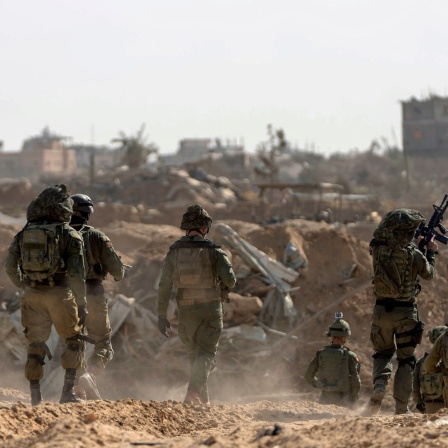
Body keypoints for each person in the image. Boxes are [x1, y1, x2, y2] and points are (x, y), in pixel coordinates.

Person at [4, 185, 87, 405]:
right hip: (60, 294)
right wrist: (82, 303)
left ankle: (35, 396)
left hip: (32, 295)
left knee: (35, 345)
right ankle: (67, 394)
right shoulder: (69, 234)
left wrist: (24, 285)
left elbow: (10, 267)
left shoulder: (24, 233)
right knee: (74, 341)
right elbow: (78, 274)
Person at [157, 204, 236, 405]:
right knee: (207, 354)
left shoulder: (174, 252)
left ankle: (203, 401)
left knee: (195, 357)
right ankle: (193, 393)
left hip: (186, 310)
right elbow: (231, 279)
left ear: (186, 227)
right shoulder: (214, 251)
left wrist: (161, 315)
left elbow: (164, 285)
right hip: (210, 309)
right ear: (205, 228)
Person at [367, 208, 437, 415]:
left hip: (381, 311)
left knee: (382, 353)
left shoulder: (377, 248)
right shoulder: (414, 254)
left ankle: (380, 385)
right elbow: (429, 275)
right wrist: (430, 251)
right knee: (406, 360)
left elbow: (393, 250)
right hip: (405, 313)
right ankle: (401, 408)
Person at [69, 193, 125, 399]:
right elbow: (118, 271)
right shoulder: (97, 236)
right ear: (89, 213)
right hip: (92, 293)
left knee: (73, 342)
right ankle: (90, 376)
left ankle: (77, 389)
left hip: (65, 296)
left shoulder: (59, 236)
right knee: (103, 342)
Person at [304, 312, 361, 407]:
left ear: (331, 335)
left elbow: (308, 376)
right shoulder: (351, 356)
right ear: (345, 337)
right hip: (344, 400)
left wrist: (318, 384)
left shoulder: (321, 354)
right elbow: (356, 380)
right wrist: (354, 397)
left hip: (325, 398)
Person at [413, 325, 447, 414]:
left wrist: (418, 402)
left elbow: (415, 384)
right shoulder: (445, 361)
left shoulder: (422, 362)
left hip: (430, 405)